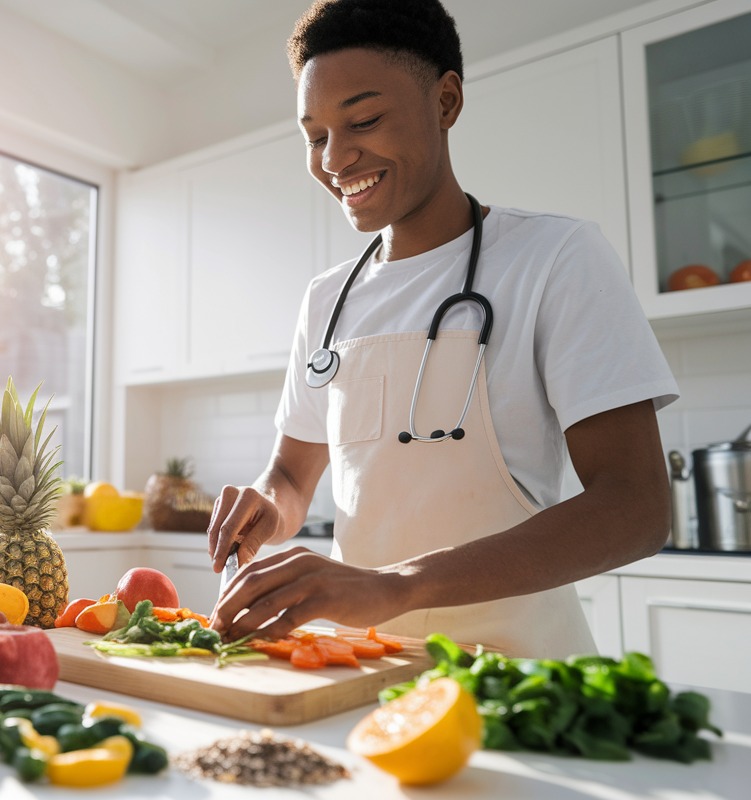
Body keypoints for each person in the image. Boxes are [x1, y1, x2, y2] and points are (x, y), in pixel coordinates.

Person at [207, 0, 678, 658]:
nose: (336, 158)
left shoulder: (555, 258)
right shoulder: (326, 300)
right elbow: (291, 473)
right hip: (360, 671)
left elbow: (636, 508)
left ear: (446, 101)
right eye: (315, 136)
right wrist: (265, 503)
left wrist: (397, 586)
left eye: (364, 120)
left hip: (518, 675)